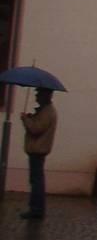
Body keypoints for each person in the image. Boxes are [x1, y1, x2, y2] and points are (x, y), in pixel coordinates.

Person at [19, 87, 57, 220]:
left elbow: (36, 129)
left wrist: (26, 119)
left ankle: (36, 209)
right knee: (36, 180)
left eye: (38, 94)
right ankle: (36, 208)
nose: (36, 97)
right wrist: (32, 117)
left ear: (45, 95)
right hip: (37, 150)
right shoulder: (45, 111)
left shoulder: (47, 111)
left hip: (38, 150)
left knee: (36, 181)